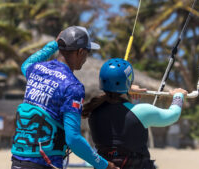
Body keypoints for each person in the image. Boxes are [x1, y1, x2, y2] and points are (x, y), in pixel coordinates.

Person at [11, 26, 119, 169]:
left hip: (18, 161)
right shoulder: (72, 87)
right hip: (45, 164)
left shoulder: (35, 70)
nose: (86, 58)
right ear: (80, 52)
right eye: (88, 52)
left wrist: (53, 45)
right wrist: (104, 165)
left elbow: (26, 64)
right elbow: (73, 139)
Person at [82, 58, 188, 169]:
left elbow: (114, 105)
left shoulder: (93, 111)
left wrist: (126, 89)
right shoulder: (141, 112)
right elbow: (172, 115)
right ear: (129, 81)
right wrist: (178, 96)